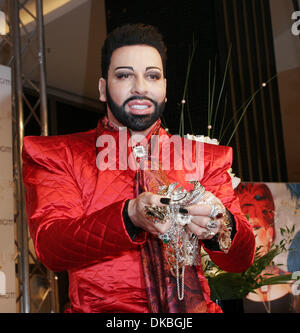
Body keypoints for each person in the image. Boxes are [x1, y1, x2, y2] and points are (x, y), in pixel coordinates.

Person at [22, 23, 255, 313]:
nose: (141, 87)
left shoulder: (206, 158)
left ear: (165, 89)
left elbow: (241, 259)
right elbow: (52, 247)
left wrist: (222, 226)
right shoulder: (59, 155)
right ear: (103, 88)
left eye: (152, 76)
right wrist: (130, 216)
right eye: (124, 75)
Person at [235, 183, 295, 313]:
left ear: (270, 232)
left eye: (255, 229)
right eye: (243, 233)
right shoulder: (230, 284)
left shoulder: (292, 282)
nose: (249, 240)